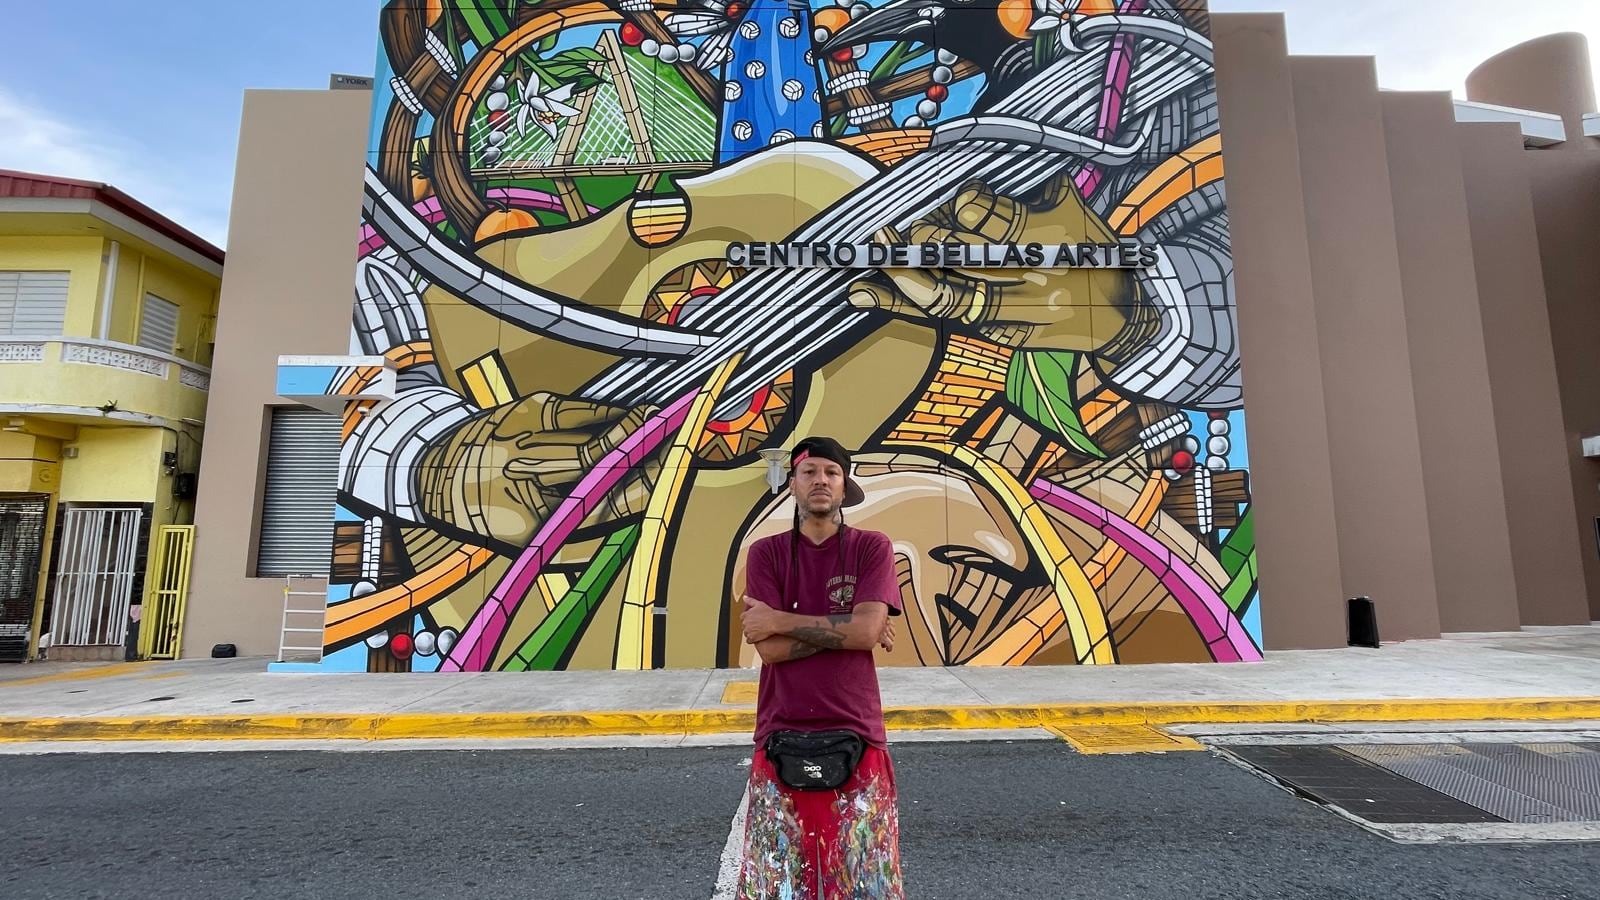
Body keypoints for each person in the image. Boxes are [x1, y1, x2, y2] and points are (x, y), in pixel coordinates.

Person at [734, 436, 905, 899]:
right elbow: (768, 651)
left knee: (862, 879)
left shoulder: (872, 548)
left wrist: (782, 622)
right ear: (792, 484)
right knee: (781, 883)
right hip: (780, 731)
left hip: (857, 731)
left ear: (844, 483)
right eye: (809, 473)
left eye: (831, 472)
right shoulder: (765, 553)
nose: (820, 481)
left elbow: (865, 633)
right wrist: (849, 630)